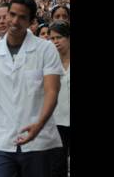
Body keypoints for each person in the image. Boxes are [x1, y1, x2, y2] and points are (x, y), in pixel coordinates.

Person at [0, 0, 64, 177]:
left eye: (22, 17)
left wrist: (39, 125)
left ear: (31, 21)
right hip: (3, 141)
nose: (14, 21)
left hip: (38, 141)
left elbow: (52, 90)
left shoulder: (46, 49)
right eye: (11, 14)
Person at [49, 22, 70, 177]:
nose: (55, 41)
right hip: (56, 122)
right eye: (52, 38)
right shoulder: (49, 62)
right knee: (57, 165)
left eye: (59, 37)